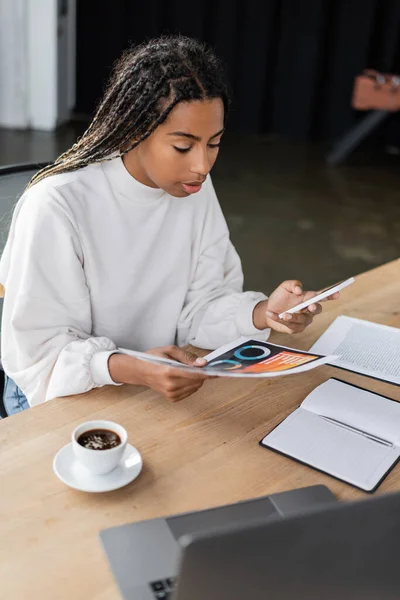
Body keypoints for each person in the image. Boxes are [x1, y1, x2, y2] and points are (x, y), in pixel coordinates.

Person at [0, 35, 338, 416]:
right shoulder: (57, 205)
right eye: (183, 146)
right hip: (56, 393)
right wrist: (134, 368)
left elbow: (200, 305)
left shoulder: (193, 186)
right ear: (132, 130)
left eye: (214, 143)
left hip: (149, 381)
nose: (202, 165)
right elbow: (40, 352)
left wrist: (263, 312)